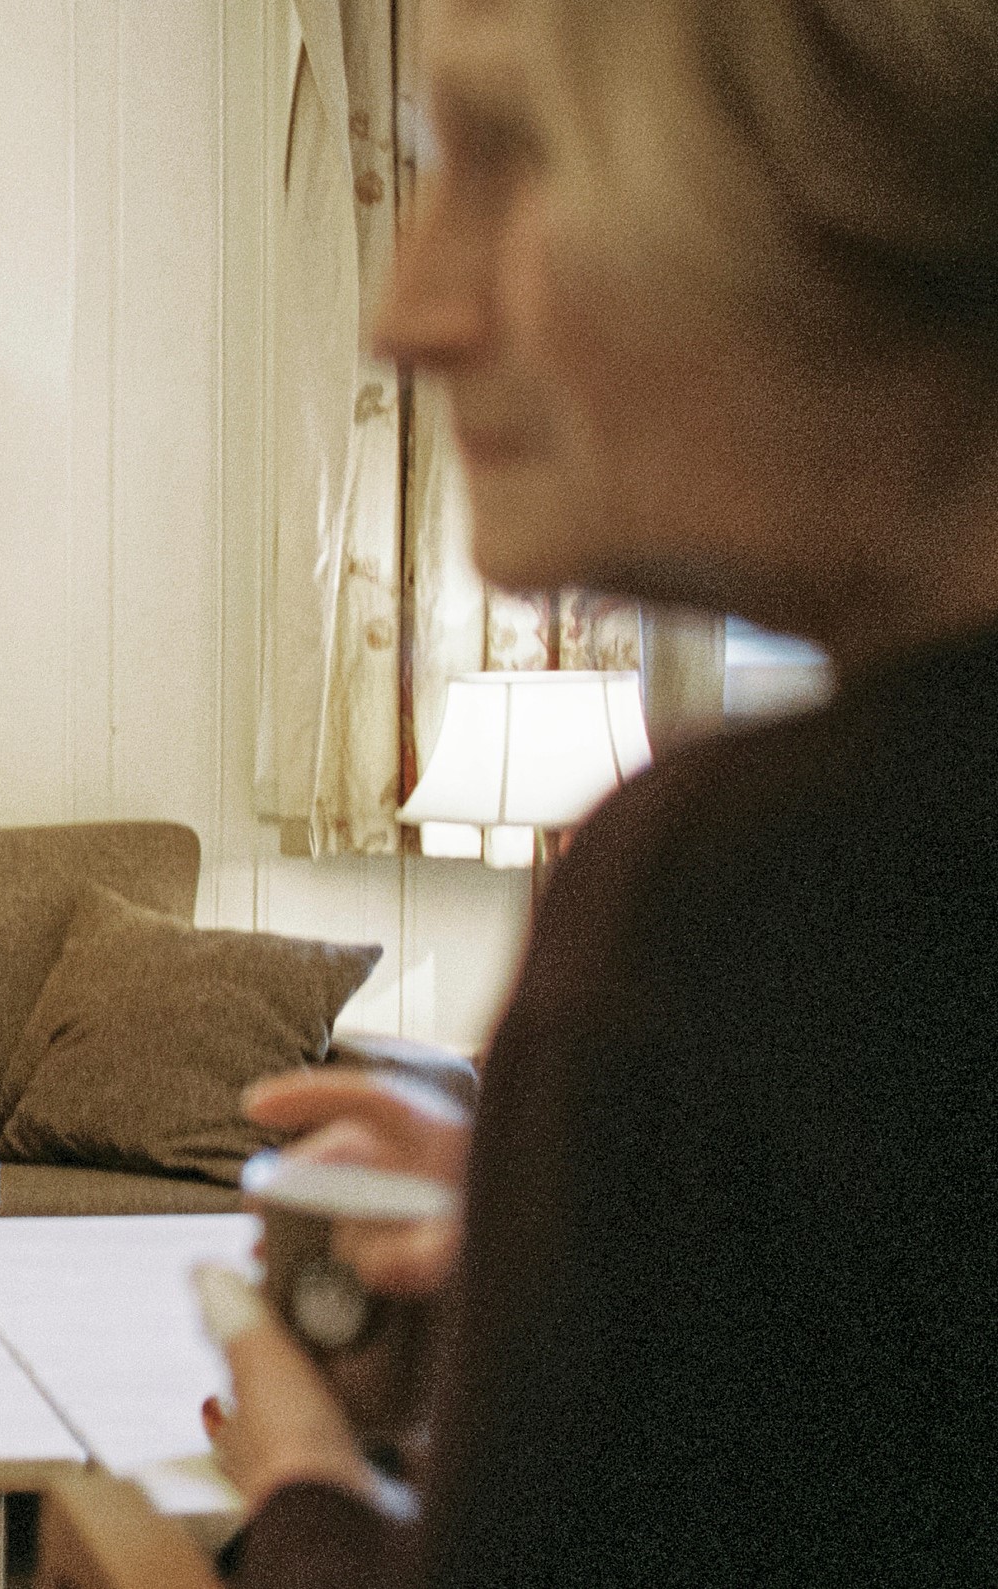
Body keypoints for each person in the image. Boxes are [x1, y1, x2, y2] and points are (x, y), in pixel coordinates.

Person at [193, 0, 998, 1583]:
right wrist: (566, 1266)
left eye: (510, 157)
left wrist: (305, 1491)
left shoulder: (754, 889)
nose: (402, 310)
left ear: (873, 181)